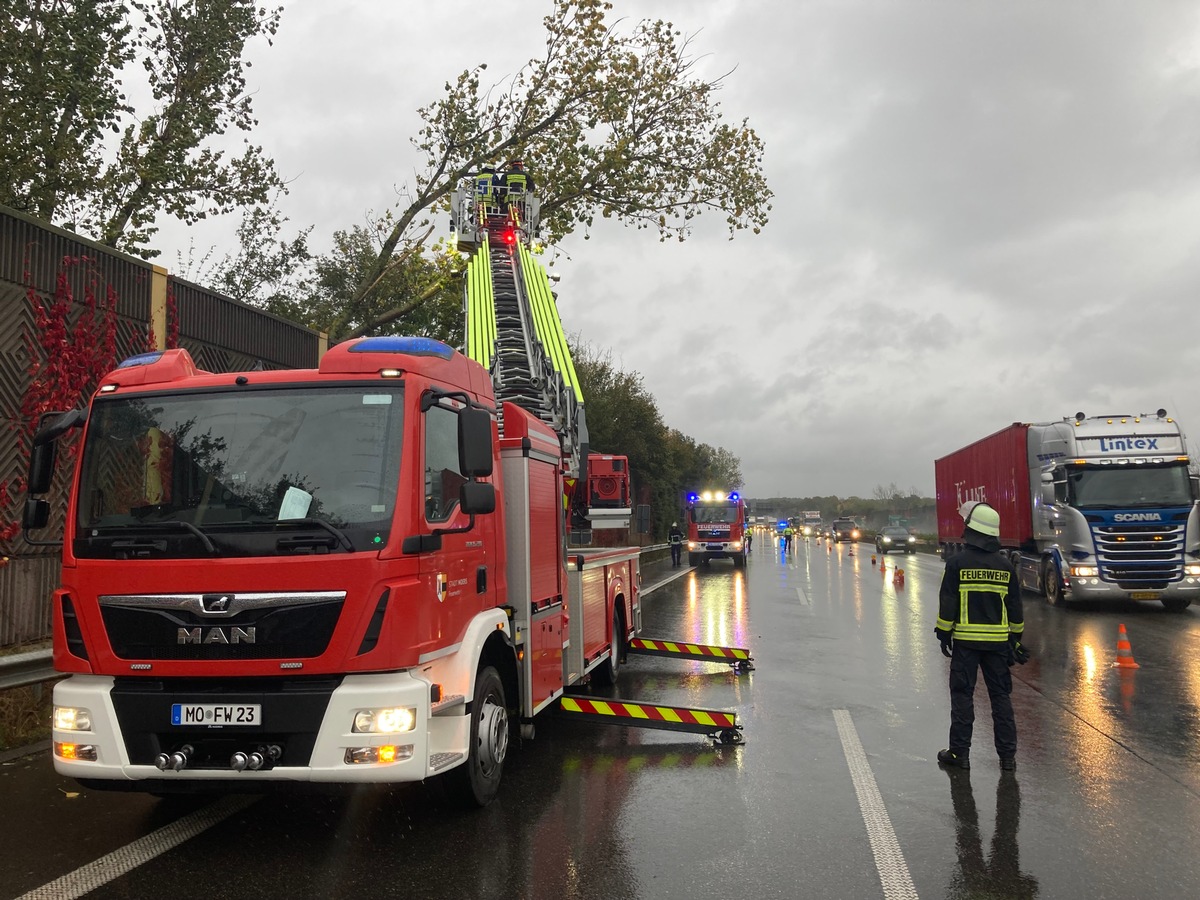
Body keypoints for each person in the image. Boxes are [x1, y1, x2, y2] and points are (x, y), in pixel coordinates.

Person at [935, 501, 1028, 771]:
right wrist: (1016, 640)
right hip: (998, 646)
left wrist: (944, 633)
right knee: (1001, 699)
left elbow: (948, 603)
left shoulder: (956, 564)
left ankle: (959, 755)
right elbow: (1015, 609)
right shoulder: (1005, 567)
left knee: (963, 697)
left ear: (971, 530)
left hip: (966, 644)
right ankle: (1008, 759)